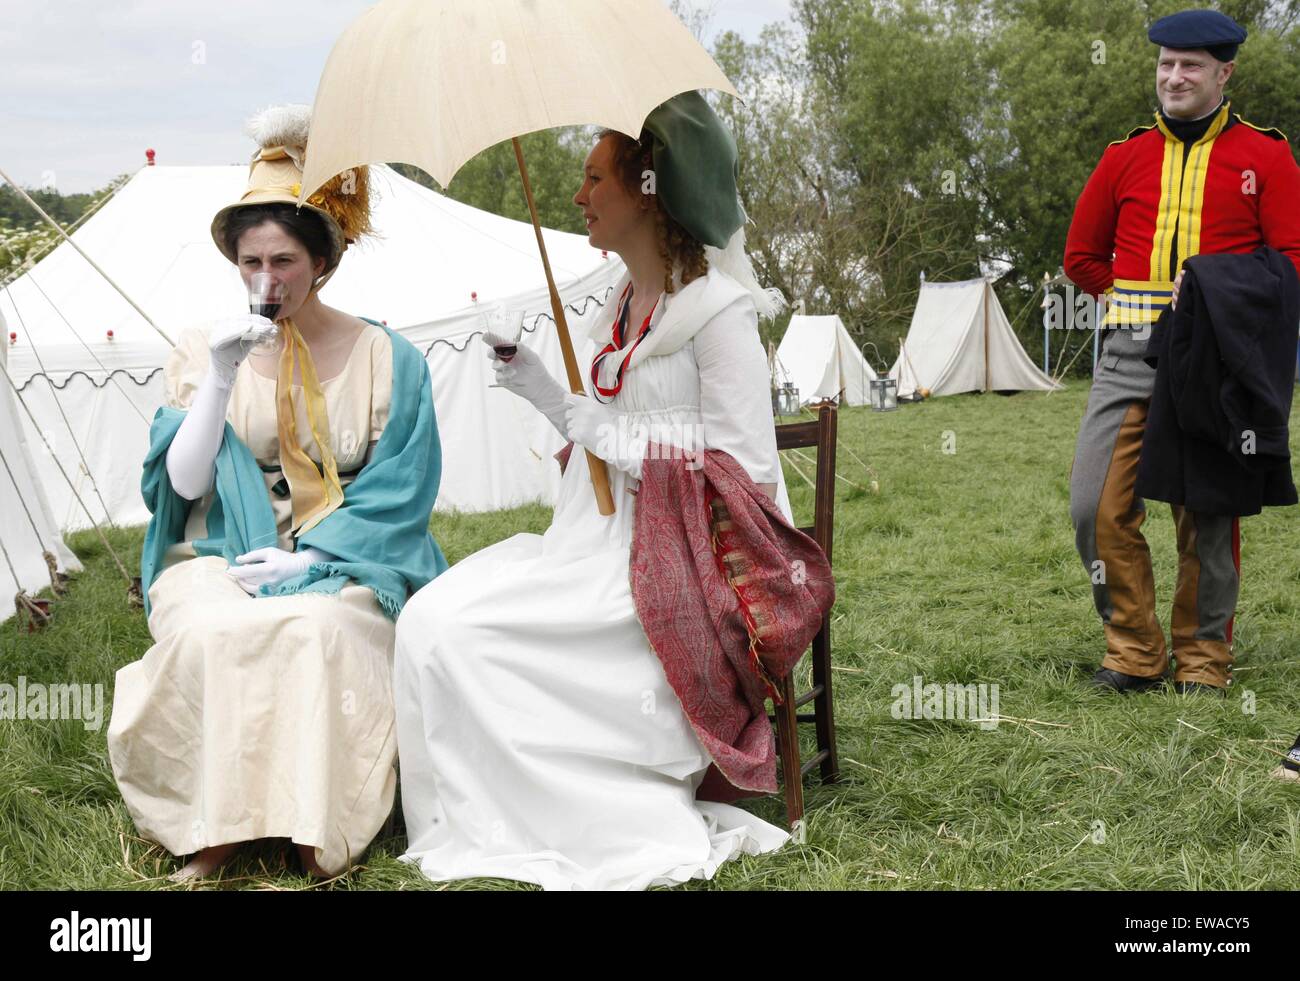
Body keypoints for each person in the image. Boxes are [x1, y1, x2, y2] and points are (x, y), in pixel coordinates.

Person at [392, 91, 832, 890]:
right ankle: (476, 813)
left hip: (686, 565)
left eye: (595, 178)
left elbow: (744, 472)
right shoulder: (617, 313)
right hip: (592, 544)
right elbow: (601, 442)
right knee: (430, 616)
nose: (578, 196)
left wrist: (582, 419)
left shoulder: (719, 314)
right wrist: (548, 396)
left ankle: (566, 806)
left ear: (650, 190)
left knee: (470, 633)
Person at [107, 104, 448, 881]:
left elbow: (404, 488)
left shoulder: (387, 356)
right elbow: (181, 485)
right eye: (250, 262)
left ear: (322, 261)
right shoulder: (202, 349)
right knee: (209, 630)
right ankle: (219, 825)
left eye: (283, 262)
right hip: (223, 552)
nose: (265, 280)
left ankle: (312, 824)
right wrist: (221, 376)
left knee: (319, 628)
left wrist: (313, 557)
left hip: (352, 560)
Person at [1064, 9, 1300, 695]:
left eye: (1190, 65)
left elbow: (1290, 261)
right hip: (1128, 355)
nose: (1174, 76)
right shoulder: (1123, 155)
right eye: (1166, 64)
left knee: (1210, 512)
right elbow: (1081, 256)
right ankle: (1135, 650)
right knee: (1095, 507)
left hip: (1217, 363)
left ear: (1223, 73)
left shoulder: (1268, 155)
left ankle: (1203, 660)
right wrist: (1133, 303)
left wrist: (1213, 294)